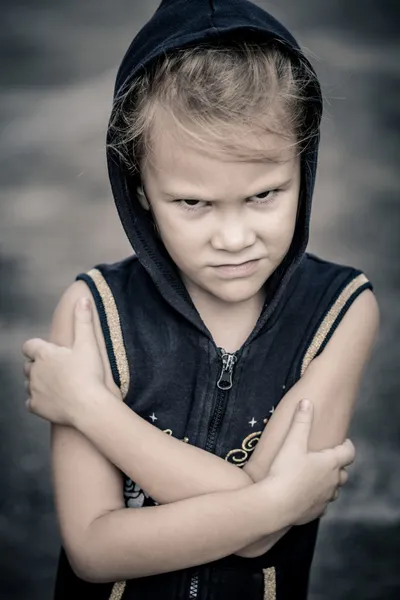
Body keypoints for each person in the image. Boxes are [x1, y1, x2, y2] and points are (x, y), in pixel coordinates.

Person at [22, 0, 380, 598]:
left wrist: (91, 407)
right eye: (193, 203)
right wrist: (274, 501)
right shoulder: (93, 313)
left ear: (304, 164)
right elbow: (93, 549)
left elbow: (260, 537)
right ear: (139, 186)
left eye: (265, 194)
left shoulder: (340, 310)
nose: (235, 238)